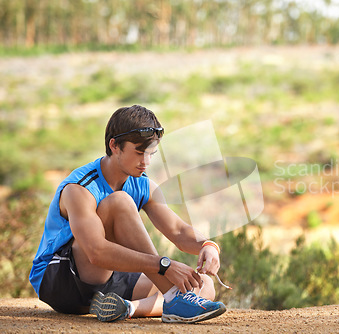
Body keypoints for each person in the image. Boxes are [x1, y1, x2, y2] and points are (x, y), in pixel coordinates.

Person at [29, 105, 226, 323]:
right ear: (114, 145)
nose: (146, 162)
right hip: (61, 280)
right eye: (139, 153)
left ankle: (129, 308)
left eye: (151, 153)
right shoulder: (79, 188)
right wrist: (164, 266)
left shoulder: (143, 184)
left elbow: (178, 231)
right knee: (119, 202)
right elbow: (96, 252)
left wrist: (207, 245)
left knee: (202, 284)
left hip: (106, 283)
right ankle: (173, 297)